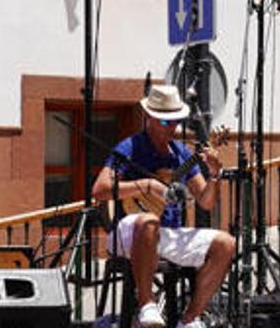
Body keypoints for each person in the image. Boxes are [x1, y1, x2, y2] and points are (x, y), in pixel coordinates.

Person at [91, 84, 235, 328]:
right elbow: (100, 189)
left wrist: (214, 173)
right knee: (148, 221)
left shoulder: (180, 152)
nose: (172, 128)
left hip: (169, 233)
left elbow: (206, 201)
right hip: (129, 230)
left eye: (176, 122)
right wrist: (146, 185)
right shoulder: (130, 147)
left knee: (226, 244)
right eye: (166, 122)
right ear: (149, 118)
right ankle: (147, 305)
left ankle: (190, 319)